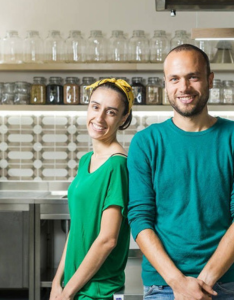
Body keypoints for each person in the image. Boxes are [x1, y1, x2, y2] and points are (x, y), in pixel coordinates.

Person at [127, 44, 234, 300]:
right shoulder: (146, 142)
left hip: (221, 283)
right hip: (163, 285)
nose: (184, 87)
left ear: (210, 80)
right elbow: (140, 217)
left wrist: (204, 281)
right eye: (174, 79)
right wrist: (178, 283)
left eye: (193, 76)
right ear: (165, 84)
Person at [50, 79, 133, 300]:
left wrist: (67, 292)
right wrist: (57, 282)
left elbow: (108, 240)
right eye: (95, 107)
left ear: (123, 118)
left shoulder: (118, 165)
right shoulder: (87, 159)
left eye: (111, 112)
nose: (99, 117)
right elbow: (77, 228)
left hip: (97, 289)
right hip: (74, 283)